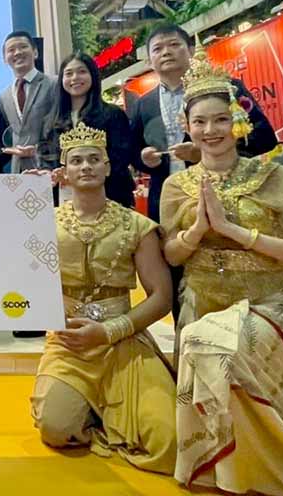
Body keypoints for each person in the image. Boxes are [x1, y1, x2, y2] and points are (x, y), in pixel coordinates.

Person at [160, 43, 283, 494]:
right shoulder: (177, 185)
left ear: (239, 121)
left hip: (271, 300)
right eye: (200, 122)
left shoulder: (275, 178)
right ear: (187, 126)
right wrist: (197, 231)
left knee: (218, 352)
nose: (210, 130)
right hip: (203, 299)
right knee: (204, 343)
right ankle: (224, 469)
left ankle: (264, 470)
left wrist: (238, 233)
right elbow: (171, 255)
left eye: (220, 120)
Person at [31, 122, 176, 475]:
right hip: (69, 344)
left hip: (124, 341)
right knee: (56, 429)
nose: (86, 167)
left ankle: (106, 407)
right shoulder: (43, 224)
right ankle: (95, 408)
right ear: (64, 172)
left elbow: (162, 297)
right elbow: (25, 287)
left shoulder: (136, 225)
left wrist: (110, 331)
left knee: (169, 442)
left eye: (94, 159)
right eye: (77, 161)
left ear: (108, 167)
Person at [130, 23, 276, 321]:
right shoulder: (144, 104)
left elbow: (264, 136)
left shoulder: (227, 88)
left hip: (228, 192)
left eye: (174, 45)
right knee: (173, 271)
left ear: (190, 50)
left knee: (230, 264)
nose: (166, 52)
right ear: (149, 60)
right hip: (169, 199)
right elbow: (133, 151)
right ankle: (186, 339)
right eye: (157, 49)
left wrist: (208, 152)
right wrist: (144, 159)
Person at [38, 53, 135, 206]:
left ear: (93, 76)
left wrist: (79, 176)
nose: (75, 78)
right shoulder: (49, 121)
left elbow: (121, 158)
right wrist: (49, 173)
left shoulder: (112, 114)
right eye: (69, 74)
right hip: (63, 199)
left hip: (109, 195)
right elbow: (45, 156)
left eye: (82, 71)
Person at [0, 30, 58, 173]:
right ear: (5, 59)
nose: (17, 52)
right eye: (11, 50)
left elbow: (62, 126)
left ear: (35, 52)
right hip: (18, 171)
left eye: (23, 47)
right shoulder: (4, 97)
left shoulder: (54, 84)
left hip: (50, 167)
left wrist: (38, 150)